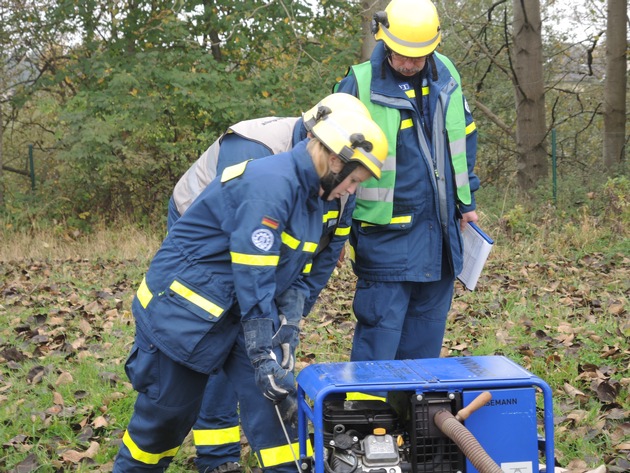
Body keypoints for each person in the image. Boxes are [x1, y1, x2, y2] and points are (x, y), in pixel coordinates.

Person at [112, 108, 388, 473]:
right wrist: (262, 353)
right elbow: (253, 271)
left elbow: (297, 270)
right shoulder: (270, 184)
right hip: (181, 318)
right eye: (355, 180)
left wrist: (288, 322)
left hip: (239, 311)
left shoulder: (313, 198)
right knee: (163, 423)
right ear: (336, 160)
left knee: (277, 412)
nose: (352, 191)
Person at [334, 0, 480, 364]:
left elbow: (464, 139)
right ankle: (369, 416)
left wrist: (467, 203)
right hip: (384, 238)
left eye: (420, 55)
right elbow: (333, 161)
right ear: (382, 38)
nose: (411, 64)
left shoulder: (446, 73)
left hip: (441, 238)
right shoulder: (359, 82)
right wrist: (335, 227)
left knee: (425, 341)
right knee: (379, 341)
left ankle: (414, 416)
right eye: (402, 55)